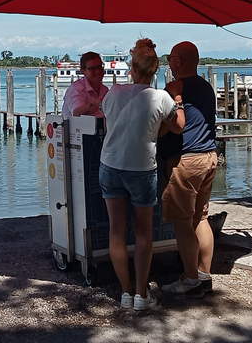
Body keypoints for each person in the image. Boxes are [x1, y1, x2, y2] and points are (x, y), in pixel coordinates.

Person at [99, 38, 184, 311]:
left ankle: (125, 292)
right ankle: (141, 294)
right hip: (141, 169)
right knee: (143, 233)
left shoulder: (112, 93)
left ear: (132, 69)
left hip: (110, 165)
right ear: (155, 71)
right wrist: (179, 99)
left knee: (116, 231)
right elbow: (178, 126)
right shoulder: (161, 97)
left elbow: (111, 123)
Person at [158, 41, 218, 299]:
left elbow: (170, 123)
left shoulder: (177, 89)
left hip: (187, 160)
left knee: (182, 223)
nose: (169, 63)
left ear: (178, 61)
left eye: (170, 58)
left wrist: (172, 96)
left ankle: (190, 279)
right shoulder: (206, 86)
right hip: (209, 156)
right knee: (200, 217)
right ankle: (203, 274)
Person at [61, 52, 108, 118]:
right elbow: (76, 112)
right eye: (92, 69)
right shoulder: (76, 88)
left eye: (100, 67)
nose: (98, 71)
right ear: (83, 71)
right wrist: (96, 104)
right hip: (75, 127)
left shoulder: (105, 90)